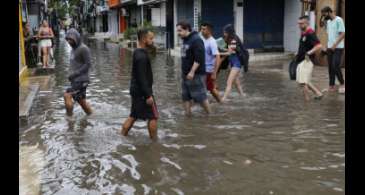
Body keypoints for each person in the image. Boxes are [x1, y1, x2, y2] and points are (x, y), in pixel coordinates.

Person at [121, 28, 159, 140]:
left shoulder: (138, 52)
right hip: (142, 92)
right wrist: (148, 95)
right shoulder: (141, 56)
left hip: (137, 90)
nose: (153, 41)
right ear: (143, 39)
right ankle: (154, 142)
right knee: (153, 116)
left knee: (134, 115)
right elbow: (142, 77)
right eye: (150, 38)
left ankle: (122, 136)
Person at [176, 21, 211, 116]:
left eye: (180, 31)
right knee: (185, 96)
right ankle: (188, 115)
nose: (178, 33)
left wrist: (192, 72)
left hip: (196, 74)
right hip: (185, 74)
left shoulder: (196, 40)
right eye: (177, 31)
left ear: (187, 29)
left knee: (200, 97)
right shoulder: (185, 39)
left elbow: (199, 58)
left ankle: (210, 115)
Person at [64, 28, 93, 116]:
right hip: (75, 80)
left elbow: (88, 64)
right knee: (82, 102)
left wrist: (74, 74)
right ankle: (92, 116)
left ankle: (69, 118)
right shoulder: (73, 49)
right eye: (68, 39)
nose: (69, 41)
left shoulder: (83, 48)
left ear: (76, 38)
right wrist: (71, 76)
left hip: (81, 80)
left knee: (67, 95)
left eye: (71, 39)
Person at [295, 15, 324, 101]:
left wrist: (309, 52)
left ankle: (306, 103)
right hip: (301, 60)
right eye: (298, 24)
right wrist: (298, 53)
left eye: (301, 23)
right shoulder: (304, 32)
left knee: (303, 83)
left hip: (307, 60)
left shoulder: (310, 33)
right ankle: (318, 93)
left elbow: (319, 45)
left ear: (307, 23)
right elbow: (304, 45)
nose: (299, 25)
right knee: (304, 81)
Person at [321, 6, 345, 94]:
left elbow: (342, 34)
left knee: (335, 66)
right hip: (329, 47)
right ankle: (331, 86)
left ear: (329, 12)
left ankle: (342, 84)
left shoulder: (339, 20)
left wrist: (335, 45)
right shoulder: (328, 22)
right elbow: (329, 35)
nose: (324, 16)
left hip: (338, 47)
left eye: (324, 14)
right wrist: (326, 45)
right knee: (330, 67)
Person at [220, 24, 245, 102]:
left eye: (225, 32)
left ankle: (223, 99)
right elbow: (229, 51)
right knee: (236, 82)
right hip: (233, 64)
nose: (224, 34)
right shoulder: (230, 40)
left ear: (229, 32)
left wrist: (217, 53)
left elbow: (229, 53)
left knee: (229, 82)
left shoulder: (234, 40)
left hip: (236, 64)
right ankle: (243, 96)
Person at [200, 22, 222, 103]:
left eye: (204, 29)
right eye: (201, 29)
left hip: (209, 70)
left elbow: (218, 57)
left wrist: (214, 73)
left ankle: (221, 102)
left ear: (209, 30)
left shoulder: (212, 42)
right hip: (203, 69)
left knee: (211, 89)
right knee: (209, 88)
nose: (201, 31)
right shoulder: (202, 39)